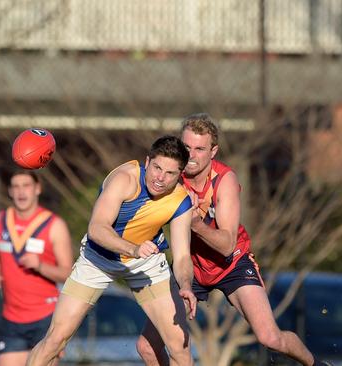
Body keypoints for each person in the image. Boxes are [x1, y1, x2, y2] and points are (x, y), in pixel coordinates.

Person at [136, 114, 331, 366]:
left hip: (231, 264)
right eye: (186, 147)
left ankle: (316, 364)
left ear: (213, 151)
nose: (191, 155)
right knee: (146, 347)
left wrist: (195, 222)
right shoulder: (171, 176)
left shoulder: (224, 180)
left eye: (199, 149)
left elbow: (227, 244)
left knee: (270, 337)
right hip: (190, 267)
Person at [26, 135, 197, 366]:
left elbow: (183, 256)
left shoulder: (180, 201)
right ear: (147, 162)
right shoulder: (124, 179)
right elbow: (97, 228)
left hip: (144, 263)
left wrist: (186, 285)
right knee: (55, 339)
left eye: (170, 173)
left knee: (179, 345)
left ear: (180, 175)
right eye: (157, 168)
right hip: (98, 259)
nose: (160, 178)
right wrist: (133, 249)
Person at [0, 170, 73, 366]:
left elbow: (68, 273)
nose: (21, 192)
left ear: (37, 188)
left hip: (46, 317)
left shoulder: (54, 225)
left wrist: (40, 266)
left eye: (26, 185)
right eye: (16, 186)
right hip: (12, 318)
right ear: (9, 191)